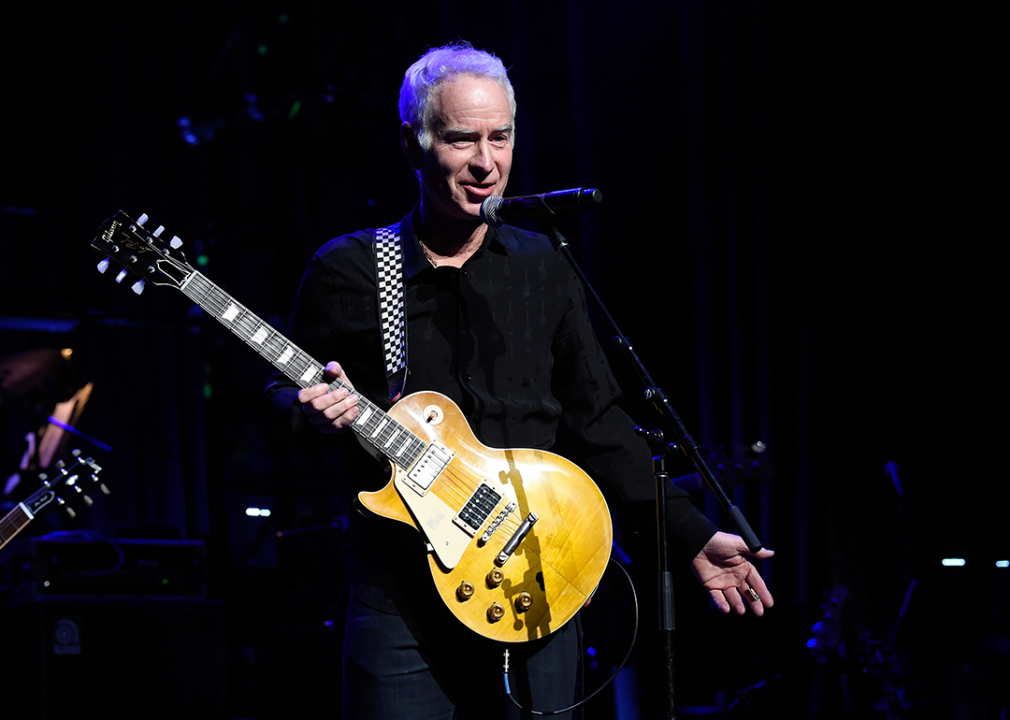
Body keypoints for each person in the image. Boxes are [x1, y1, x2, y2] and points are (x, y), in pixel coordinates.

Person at [265, 41, 773, 720]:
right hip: (401, 605)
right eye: (460, 139)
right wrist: (308, 411)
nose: (486, 163)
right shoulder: (349, 270)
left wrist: (686, 536)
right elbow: (277, 398)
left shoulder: (544, 266)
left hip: (532, 583)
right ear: (412, 145)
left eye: (500, 137)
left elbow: (598, 423)